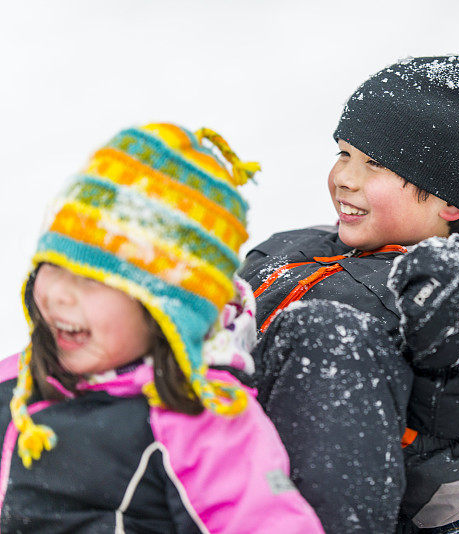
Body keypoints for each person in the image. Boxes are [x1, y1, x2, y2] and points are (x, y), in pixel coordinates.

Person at [238, 55, 459, 533]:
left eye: (375, 164)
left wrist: (442, 363)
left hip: (325, 497)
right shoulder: (293, 244)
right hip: (215, 455)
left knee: (331, 336)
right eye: (343, 154)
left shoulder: (456, 294)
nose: (344, 177)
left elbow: (452, 446)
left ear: (451, 201)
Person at [0, 123, 324, 533]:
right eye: (55, 266)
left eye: (93, 281)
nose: (61, 295)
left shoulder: (205, 427)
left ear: (168, 311)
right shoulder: (17, 383)